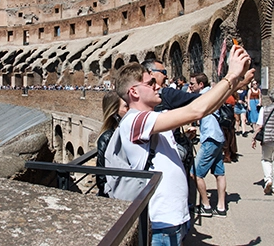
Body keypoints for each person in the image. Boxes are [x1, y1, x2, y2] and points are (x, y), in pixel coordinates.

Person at [114, 45, 253, 245]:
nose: (157, 85)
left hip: (174, 218)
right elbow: (196, 111)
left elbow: (205, 107)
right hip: (160, 222)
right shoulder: (134, 121)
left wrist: (236, 81)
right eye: (150, 82)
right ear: (134, 92)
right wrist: (230, 75)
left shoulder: (155, 117)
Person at [189, 73, 228, 218]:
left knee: (195, 173)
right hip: (217, 136)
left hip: (210, 137)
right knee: (219, 173)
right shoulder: (211, 94)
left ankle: (205, 205)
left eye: (192, 83)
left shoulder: (203, 97)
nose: (190, 86)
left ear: (200, 85)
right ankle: (221, 206)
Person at [96, 91, 129, 197]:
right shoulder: (107, 138)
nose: (130, 110)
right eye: (126, 106)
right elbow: (101, 178)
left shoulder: (130, 133)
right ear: (115, 112)